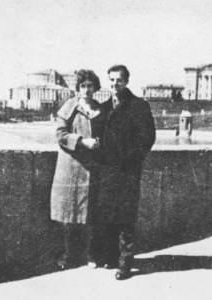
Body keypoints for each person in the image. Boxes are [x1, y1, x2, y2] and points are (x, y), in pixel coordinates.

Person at [92, 65, 156, 279]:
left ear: (127, 81)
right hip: (108, 171)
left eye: (118, 80)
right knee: (108, 214)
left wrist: (130, 160)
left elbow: (147, 138)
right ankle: (110, 257)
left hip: (128, 171)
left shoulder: (138, 106)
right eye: (111, 80)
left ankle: (125, 264)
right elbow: (97, 137)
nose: (114, 84)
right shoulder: (103, 107)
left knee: (126, 218)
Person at [50, 69, 107, 269]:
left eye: (91, 86)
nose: (87, 90)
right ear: (78, 88)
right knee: (69, 215)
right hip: (71, 168)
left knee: (92, 215)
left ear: (96, 87)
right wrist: (82, 141)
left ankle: (92, 255)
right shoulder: (70, 106)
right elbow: (60, 134)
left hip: (93, 169)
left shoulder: (100, 109)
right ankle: (68, 255)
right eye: (83, 86)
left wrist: (101, 143)